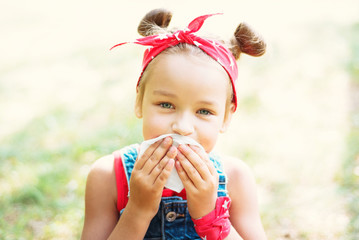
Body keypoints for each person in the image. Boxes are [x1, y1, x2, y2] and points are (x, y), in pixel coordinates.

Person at [81, 8, 267, 240]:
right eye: (166, 105)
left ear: (226, 117)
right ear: (139, 101)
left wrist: (210, 218)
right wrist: (137, 211)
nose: (182, 127)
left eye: (204, 111)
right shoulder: (108, 176)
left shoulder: (236, 178)